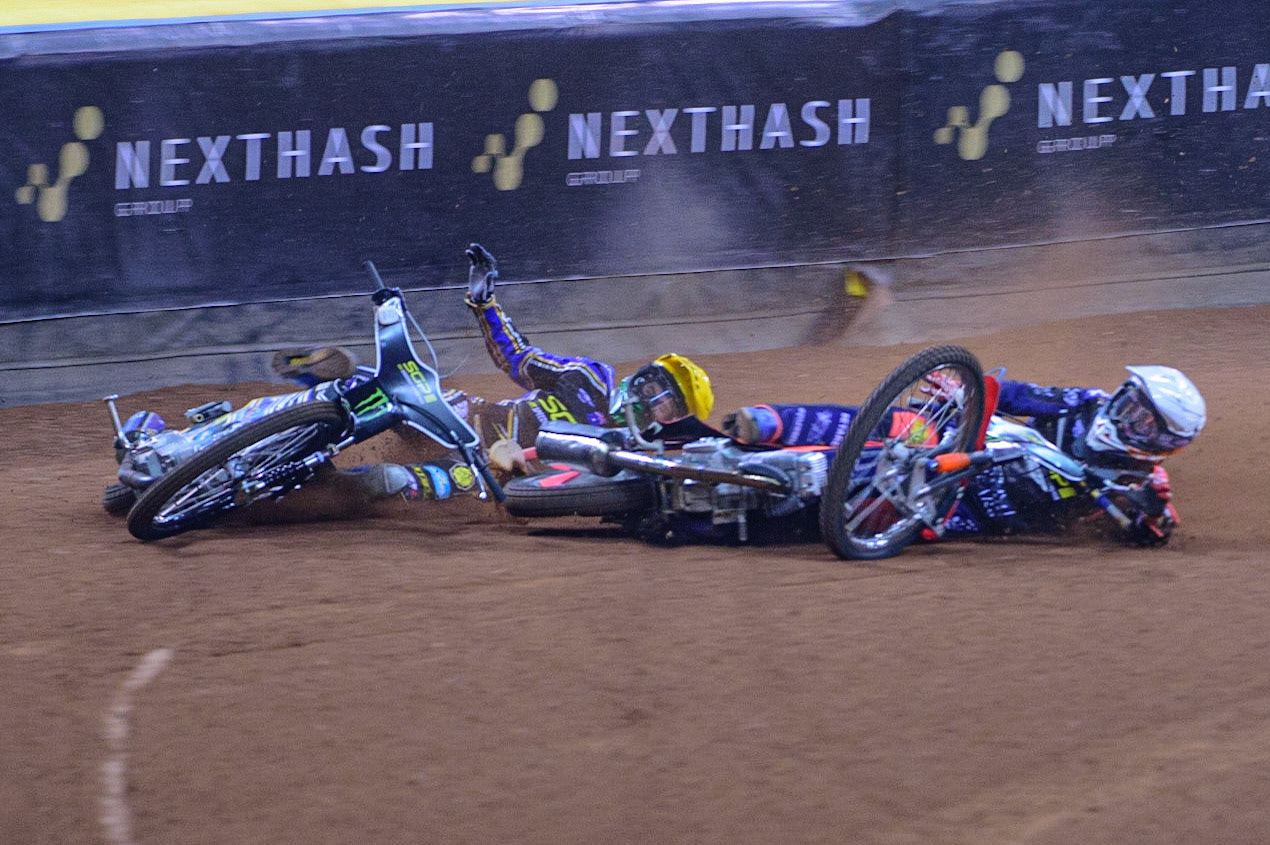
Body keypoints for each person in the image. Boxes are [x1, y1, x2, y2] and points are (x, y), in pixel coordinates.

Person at [276, 244, 716, 501]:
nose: (656, 402)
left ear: (673, 422)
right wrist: (485, 302)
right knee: (398, 388)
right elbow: (518, 358)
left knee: (398, 481)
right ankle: (322, 383)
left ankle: (319, 491)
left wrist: (525, 469)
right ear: (643, 376)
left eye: (670, 405)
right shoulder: (591, 376)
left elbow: (572, 491)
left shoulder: (628, 456)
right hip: (467, 417)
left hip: (491, 473)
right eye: (659, 387)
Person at [720, 363, 1206, 547]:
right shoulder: (1087, 404)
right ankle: (770, 423)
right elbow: (1019, 394)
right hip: (973, 442)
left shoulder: (1141, 485)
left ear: (1163, 444)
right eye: (1131, 403)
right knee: (905, 427)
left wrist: (1145, 516)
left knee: (879, 499)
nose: (1126, 417)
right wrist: (965, 391)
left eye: (1144, 421)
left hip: (971, 510)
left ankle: (740, 514)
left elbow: (1155, 529)